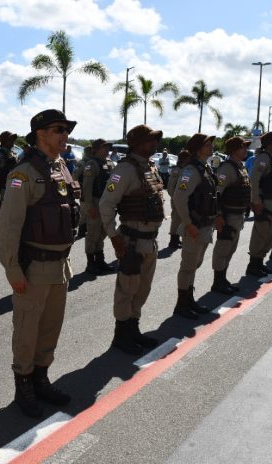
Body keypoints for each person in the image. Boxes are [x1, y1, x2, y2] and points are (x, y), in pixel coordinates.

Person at [0, 109, 80, 418]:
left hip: (59, 266)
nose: (64, 135)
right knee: (27, 331)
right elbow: (8, 228)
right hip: (33, 269)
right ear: (40, 133)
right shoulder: (23, 173)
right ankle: (24, 385)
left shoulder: (60, 166)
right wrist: (13, 270)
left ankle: (41, 378)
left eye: (66, 129)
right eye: (59, 129)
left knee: (50, 329)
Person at [99, 125, 165, 354]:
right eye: (150, 140)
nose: (154, 144)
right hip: (133, 240)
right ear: (137, 144)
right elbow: (106, 203)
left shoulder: (150, 167)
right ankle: (122, 335)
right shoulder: (124, 169)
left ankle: (133, 329)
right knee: (127, 289)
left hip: (150, 240)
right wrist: (114, 236)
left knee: (142, 288)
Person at [172, 133, 221, 319]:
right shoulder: (191, 171)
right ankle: (181, 304)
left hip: (205, 225)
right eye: (207, 144)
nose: (211, 146)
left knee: (195, 264)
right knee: (188, 266)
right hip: (195, 226)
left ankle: (189, 300)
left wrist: (216, 216)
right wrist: (188, 223)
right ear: (198, 148)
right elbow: (179, 198)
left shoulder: (205, 168)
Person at [210, 137, 252, 294]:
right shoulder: (227, 168)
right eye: (243, 147)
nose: (245, 150)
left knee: (231, 248)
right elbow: (216, 193)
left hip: (238, 215)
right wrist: (219, 215)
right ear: (234, 150)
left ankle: (223, 278)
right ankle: (218, 281)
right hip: (228, 216)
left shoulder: (240, 167)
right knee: (223, 248)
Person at [246, 131, 272, 277]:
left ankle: (259, 263)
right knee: (260, 234)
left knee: (268, 234)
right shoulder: (263, 158)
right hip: (264, 202)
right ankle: (253, 265)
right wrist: (256, 201)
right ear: (269, 142)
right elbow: (254, 179)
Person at [82, 138, 116, 275]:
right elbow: (87, 187)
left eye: (108, 147)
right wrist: (89, 207)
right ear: (96, 149)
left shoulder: (109, 163)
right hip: (95, 202)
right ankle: (91, 263)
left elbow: (112, 183)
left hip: (106, 203)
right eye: (104, 147)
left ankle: (100, 260)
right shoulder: (92, 164)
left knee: (102, 232)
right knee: (93, 233)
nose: (107, 149)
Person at [0, 131, 19, 259]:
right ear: (4, 141)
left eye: (13, 139)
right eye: (10, 140)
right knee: (1, 220)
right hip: (2, 190)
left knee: (11, 220)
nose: (12, 142)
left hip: (13, 190)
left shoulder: (12, 154)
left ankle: (7, 247)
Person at [167, 149, 191, 249]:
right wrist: (175, 197)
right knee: (176, 219)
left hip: (182, 198)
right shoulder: (177, 170)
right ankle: (173, 240)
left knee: (180, 219)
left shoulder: (186, 169)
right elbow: (171, 186)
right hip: (177, 198)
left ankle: (177, 239)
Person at [72, 145, 92, 238]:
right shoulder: (82, 163)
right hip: (84, 190)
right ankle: (81, 231)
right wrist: (78, 190)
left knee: (89, 211)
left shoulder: (92, 163)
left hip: (92, 191)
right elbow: (74, 177)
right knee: (84, 212)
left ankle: (86, 229)